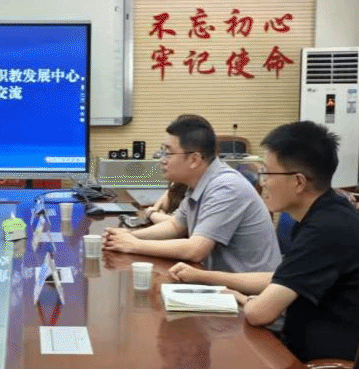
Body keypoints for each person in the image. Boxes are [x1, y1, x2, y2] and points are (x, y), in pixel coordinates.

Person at [168, 120, 359, 363]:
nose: (262, 182)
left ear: (299, 182)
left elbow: (260, 314)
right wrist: (205, 277)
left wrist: (244, 299)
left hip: (318, 367)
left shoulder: (327, 230)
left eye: (268, 173)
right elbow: (282, 277)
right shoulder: (325, 213)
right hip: (298, 347)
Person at [103, 114, 279, 273]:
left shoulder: (226, 187)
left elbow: (196, 250)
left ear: (194, 159)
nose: (162, 160)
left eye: (168, 153)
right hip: (221, 282)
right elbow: (176, 226)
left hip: (250, 291)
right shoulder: (198, 182)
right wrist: (129, 235)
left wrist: (134, 245)